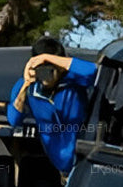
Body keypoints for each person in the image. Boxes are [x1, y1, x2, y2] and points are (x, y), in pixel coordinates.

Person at [6, 37, 98, 174]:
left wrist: (48, 58)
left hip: (84, 162)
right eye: (41, 69)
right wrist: (26, 84)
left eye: (50, 69)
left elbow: (93, 71)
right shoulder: (28, 87)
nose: (45, 76)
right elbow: (13, 119)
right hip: (56, 166)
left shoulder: (74, 81)